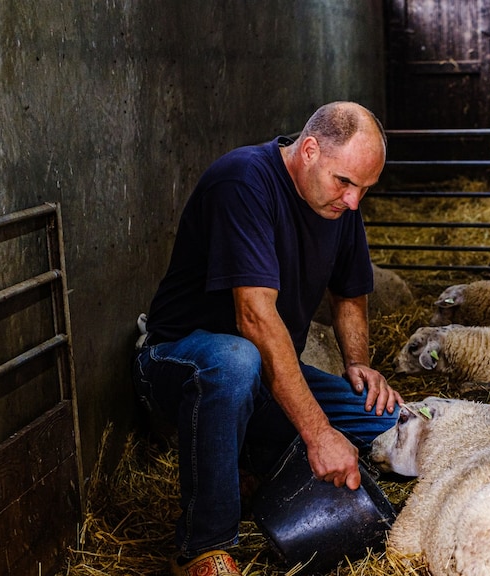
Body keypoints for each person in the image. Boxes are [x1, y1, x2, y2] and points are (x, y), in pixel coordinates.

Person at [133, 101, 402, 576]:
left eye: (365, 188)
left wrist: (358, 363)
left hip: (266, 376)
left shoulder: (341, 204)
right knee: (236, 360)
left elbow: (350, 291)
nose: (354, 201)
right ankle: (202, 547)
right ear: (310, 150)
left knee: (386, 421)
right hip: (183, 361)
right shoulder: (243, 181)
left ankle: (253, 466)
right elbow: (255, 318)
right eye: (345, 182)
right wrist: (319, 434)